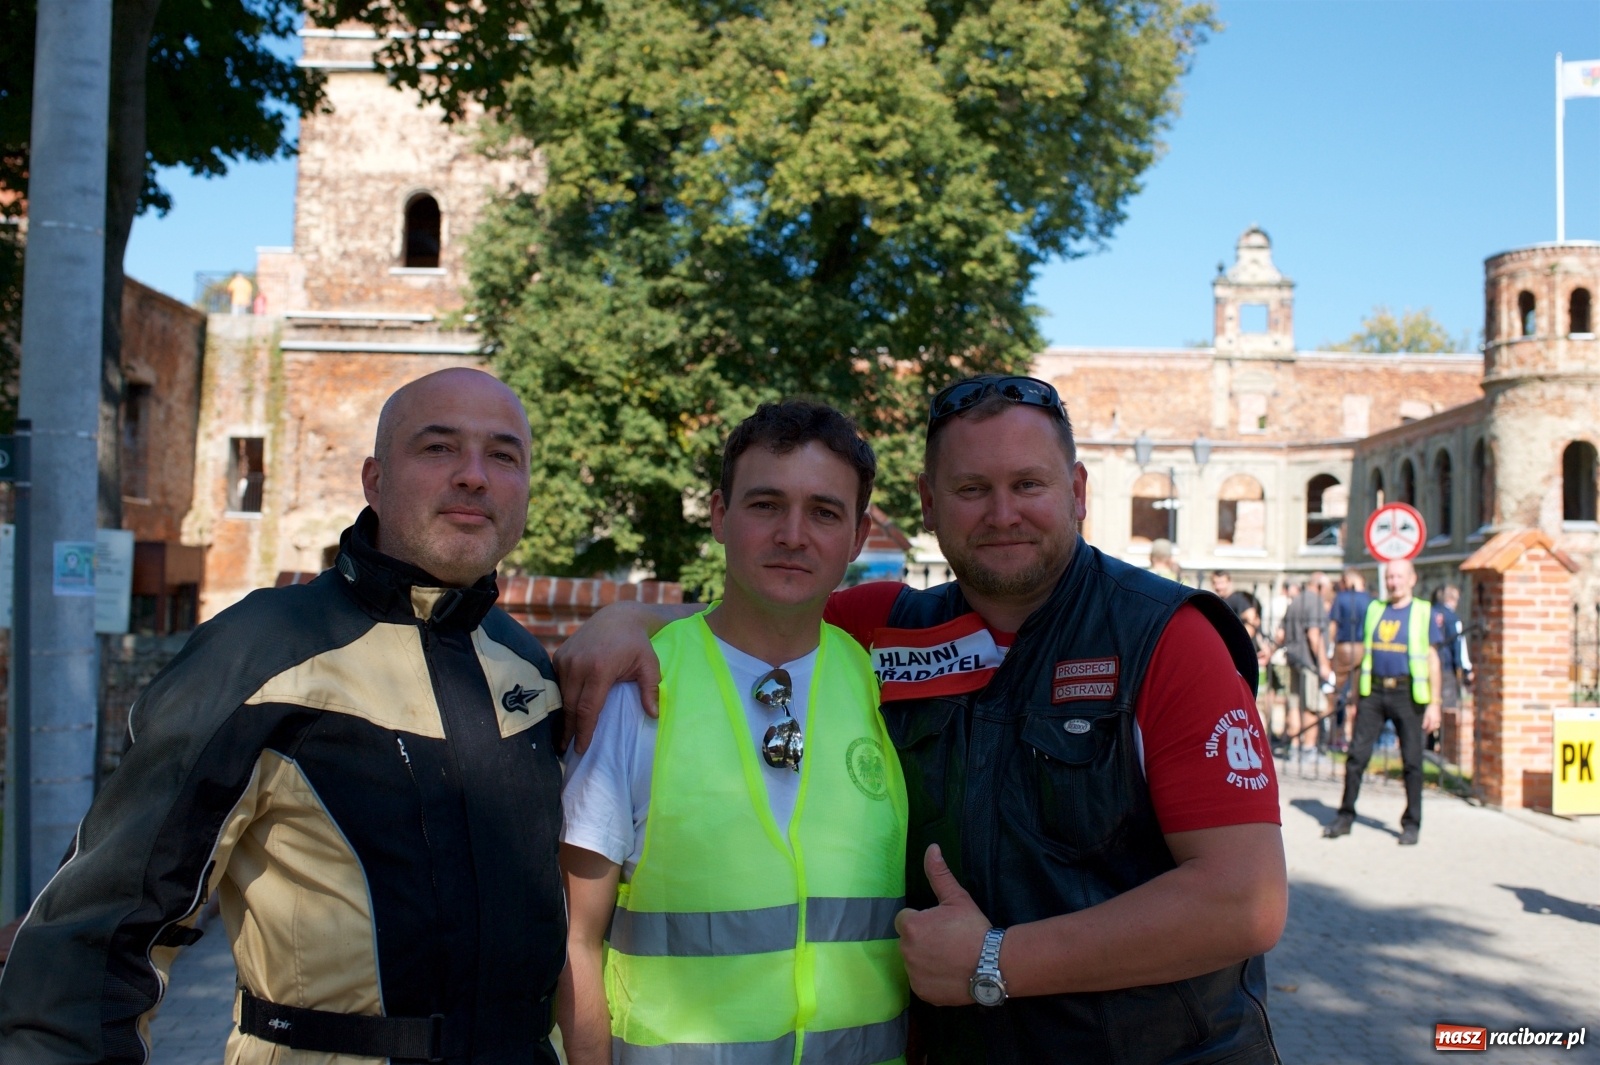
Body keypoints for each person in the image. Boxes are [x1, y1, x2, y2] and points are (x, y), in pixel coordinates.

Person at [555, 374, 1286, 1063]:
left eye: (1027, 484)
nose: (1002, 514)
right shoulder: (881, 632)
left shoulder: (1164, 637)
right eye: (971, 489)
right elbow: (759, 618)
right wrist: (631, 619)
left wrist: (996, 959)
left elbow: (1243, 901)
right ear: (929, 504)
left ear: (1077, 490)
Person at [0, 368, 568, 1064]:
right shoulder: (257, 651)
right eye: (439, 448)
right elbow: (99, 935)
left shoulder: (528, 668)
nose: (474, 476)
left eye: (503, 454)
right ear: (374, 480)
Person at [557, 401, 909, 1064]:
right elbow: (575, 939)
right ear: (720, 515)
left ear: (858, 537)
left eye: (824, 512)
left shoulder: (873, 681)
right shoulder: (638, 689)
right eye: (766, 504)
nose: (793, 534)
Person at [1324, 559, 1442, 846]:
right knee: (1357, 757)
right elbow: (1364, 654)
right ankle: (1345, 815)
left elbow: (1432, 659)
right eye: (1390, 576)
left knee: (1412, 762)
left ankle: (1411, 823)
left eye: (1399, 576)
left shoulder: (1423, 611)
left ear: (1411, 579)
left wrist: (1435, 703)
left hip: (1407, 693)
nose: (1394, 582)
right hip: (1373, 692)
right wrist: (1354, 696)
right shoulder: (1375, 609)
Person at [1279, 572, 1333, 752]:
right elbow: (1313, 634)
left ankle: (1294, 746)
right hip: (1309, 661)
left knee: (1294, 704)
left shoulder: (1295, 601)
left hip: (1293, 658)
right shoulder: (1314, 601)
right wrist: (1324, 663)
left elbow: (1281, 634)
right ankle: (1309, 748)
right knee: (1312, 705)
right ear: (1320, 586)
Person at [1327, 568, 1374, 751]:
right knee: (1358, 695)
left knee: (1336, 693)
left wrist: (1330, 649)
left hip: (1344, 647)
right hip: (1363, 648)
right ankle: (1355, 737)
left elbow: (1333, 626)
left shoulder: (1341, 598)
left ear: (1347, 581)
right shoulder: (1370, 600)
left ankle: (1335, 735)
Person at [1433, 584, 1470, 729]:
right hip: (1447, 669)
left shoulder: (1430, 612)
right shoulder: (1452, 618)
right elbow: (1458, 644)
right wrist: (1465, 669)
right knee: (1447, 709)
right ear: (1452, 599)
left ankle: (1429, 745)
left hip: (1429, 665)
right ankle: (1444, 745)